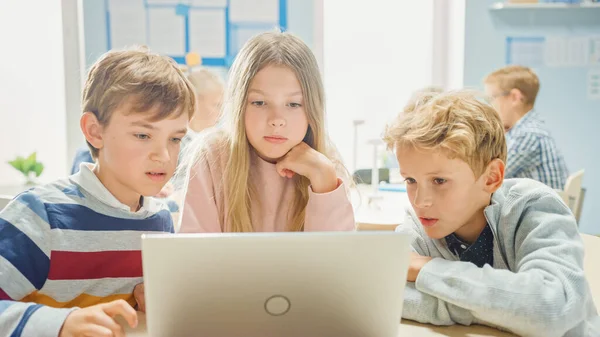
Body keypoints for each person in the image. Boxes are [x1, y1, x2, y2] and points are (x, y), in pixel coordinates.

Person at [0, 46, 195, 336]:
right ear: (95, 131)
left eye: (176, 138)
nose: (164, 156)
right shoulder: (41, 215)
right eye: (143, 135)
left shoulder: (160, 222)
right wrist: (61, 323)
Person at [383, 90, 599, 336]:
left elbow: (551, 307)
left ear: (492, 177)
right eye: (410, 180)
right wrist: (505, 311)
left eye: (440, 180)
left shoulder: (533, 206)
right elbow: (385, 296)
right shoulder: (418, 226)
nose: (420, 201)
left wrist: (427, 268)